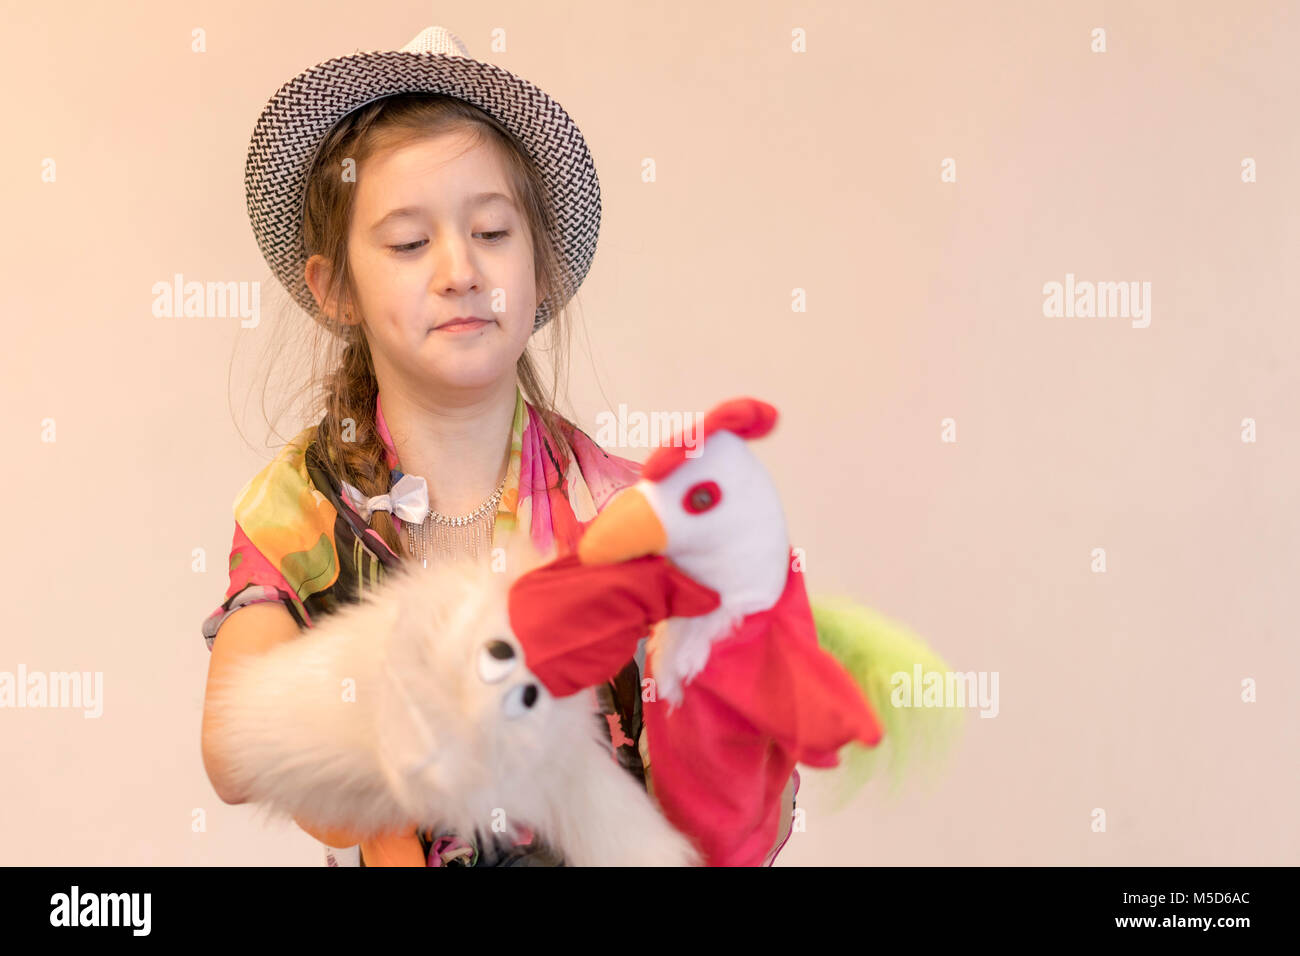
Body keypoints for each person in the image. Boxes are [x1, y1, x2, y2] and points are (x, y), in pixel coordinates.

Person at [199, 25, 795, 867]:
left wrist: (728, 690)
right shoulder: (301, 503)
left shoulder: (626, 513)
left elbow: (734, 832)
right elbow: (233, 751)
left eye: (491, 232)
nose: (459, 271)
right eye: (409, 243)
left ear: (540, 266)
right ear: (334, 288)